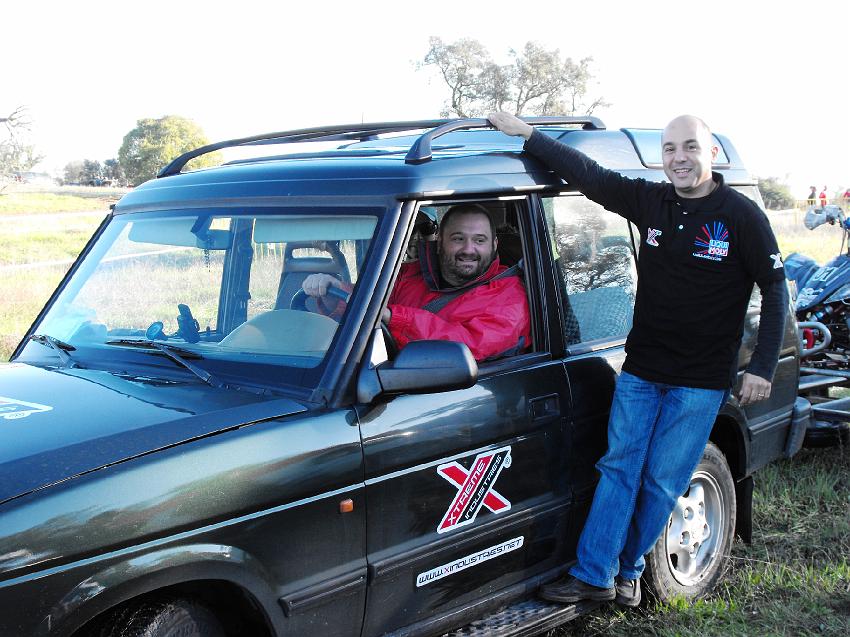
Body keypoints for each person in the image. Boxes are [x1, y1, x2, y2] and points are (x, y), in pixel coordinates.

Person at [488, 112, 788, 607]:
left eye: (690, 147)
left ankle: (627, 569)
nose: (679, 158)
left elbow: (775, 289)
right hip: (642, 372)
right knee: (618, 469)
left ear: (710, 153)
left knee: (662, 482)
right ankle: (595, 575)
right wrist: (531, 136)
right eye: (670, 149)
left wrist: (762, 366)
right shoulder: (653, 201)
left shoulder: (740, 216)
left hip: (700, 381)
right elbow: (591, 177)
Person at [302, 203, 531, 361]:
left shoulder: (510, 297)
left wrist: (394, 317)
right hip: (378, 381)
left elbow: (468, 346)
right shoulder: (409, 274)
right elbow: (369, 301)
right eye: (458, 238)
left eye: (479, 240)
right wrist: (334, 294)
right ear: (440, 242)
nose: (468, 249)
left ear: (494, 245)